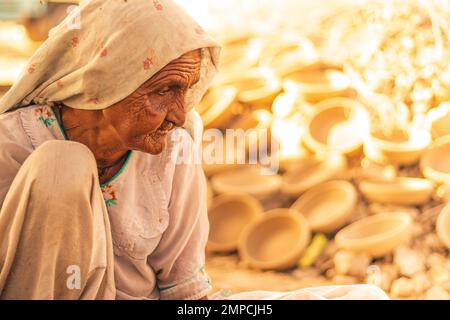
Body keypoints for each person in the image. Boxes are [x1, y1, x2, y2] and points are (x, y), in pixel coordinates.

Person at [0, 0, 388, 300]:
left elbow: (184, 291)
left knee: (361, 295)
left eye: (185, 90)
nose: (180, 113)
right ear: (104, 84)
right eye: (164, 91)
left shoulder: (173, 150)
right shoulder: (13, 145)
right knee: (62, 165)